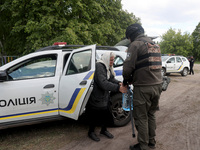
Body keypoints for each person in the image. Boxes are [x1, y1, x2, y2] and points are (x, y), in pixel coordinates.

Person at [122, 23, 163, 150]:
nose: (129, 40)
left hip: (143, 87)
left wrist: (125, 80)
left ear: (131, 35)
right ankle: (151, 142)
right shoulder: (154, 44)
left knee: (141, 117)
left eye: (128, 38)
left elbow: (127, 68)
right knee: (151, 114)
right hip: (157, 86)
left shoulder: (135, 45)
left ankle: (143, 146)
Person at [86, 52, 127, 142]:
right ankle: (91, 132)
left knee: (106, 113)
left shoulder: (107, 65)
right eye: (111, 60)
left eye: (113, 60)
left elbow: (111, 78)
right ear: (106, 58)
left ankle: (103, 130)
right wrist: (118, 88)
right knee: (95, 115)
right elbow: (103, 83)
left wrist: (118, 83)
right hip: (97, 95)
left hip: (104, 95)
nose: (112, 62)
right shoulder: (100, 66)